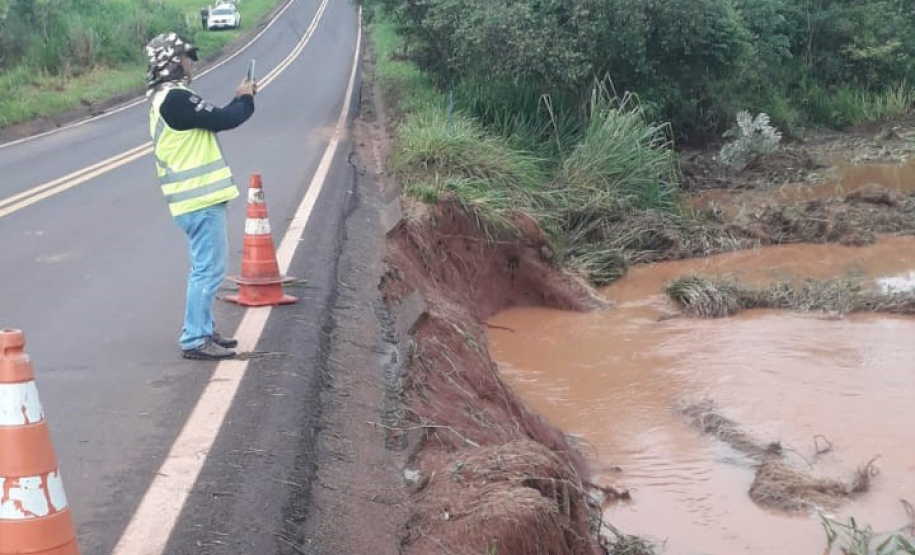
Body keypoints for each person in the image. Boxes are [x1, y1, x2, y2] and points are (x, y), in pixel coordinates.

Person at [145, 32, 257, 360]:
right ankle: (195, 338)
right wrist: (246, 99)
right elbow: (224, 119)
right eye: (186, 56)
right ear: (172, 62)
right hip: (199, 201)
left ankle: (204, 329)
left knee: (204, 267)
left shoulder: (163, 98)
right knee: (208, 271)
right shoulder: (175, 99)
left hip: (191, 201)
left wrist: (240, 98)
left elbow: (214, 118)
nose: (191, 62)